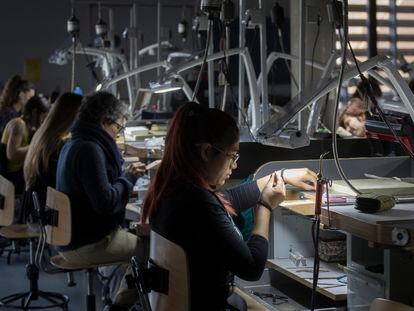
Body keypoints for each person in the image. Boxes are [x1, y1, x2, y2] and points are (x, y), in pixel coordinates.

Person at [141, 102, 317, 310]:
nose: (235, 165)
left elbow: (226, 200)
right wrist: (265, 207)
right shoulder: (198, 204)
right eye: (232, 156)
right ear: (207, 152)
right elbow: (251, 268)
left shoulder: (174, 190)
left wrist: (281, 175)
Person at [55, 91, 146, 303]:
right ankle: (119, 305)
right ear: (104, 120)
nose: (118, 133)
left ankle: (119, 296)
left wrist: (123, 179)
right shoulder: (90, 149)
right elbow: (106, 203)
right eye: (118, 127)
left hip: (71, 237)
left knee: (136, 238)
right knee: (151, 250)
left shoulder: (73, 142)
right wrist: (129, 177)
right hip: (86, 243)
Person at [22, 92, 83, 222]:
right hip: (49, 214)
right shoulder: (59, 144)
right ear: (72, 116)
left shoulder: (43, 134)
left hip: (36, 208)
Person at [1, 95, 50, 195]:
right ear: (35, 112)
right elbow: (12, 154)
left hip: (16, 180)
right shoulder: (18, 124)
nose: (43, 121)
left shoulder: (30, 128)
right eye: (43, 117)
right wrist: (37, 145)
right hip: (9, 181)